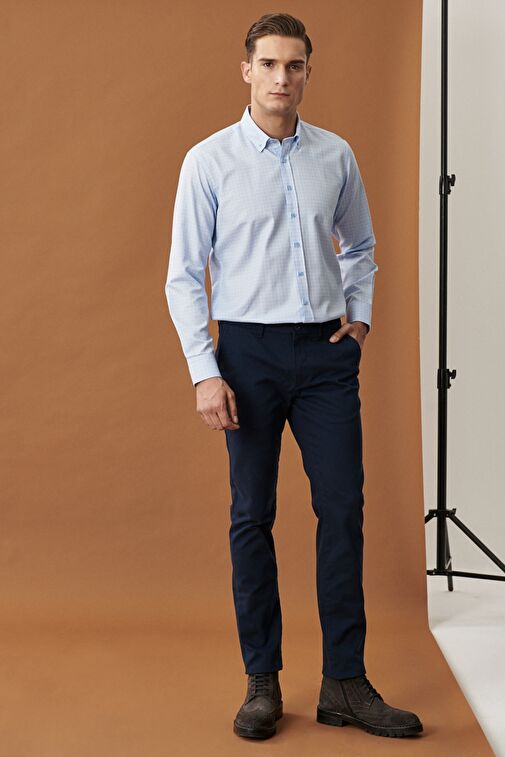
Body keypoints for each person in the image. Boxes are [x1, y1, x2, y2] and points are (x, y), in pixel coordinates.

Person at [165, 11, 423, 741]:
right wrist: (204, 371)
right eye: (270, 64)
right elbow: (184, 275)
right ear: (246, 70)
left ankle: (345, 681)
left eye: (295, 65)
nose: (282, 77)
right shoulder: (208, 161)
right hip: (246, 354)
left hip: (324, 356)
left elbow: (361, 245)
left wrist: (359, 319)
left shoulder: (334, 156)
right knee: (252, 515)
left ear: (308, 72)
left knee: (342, 508)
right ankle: (262, 681)